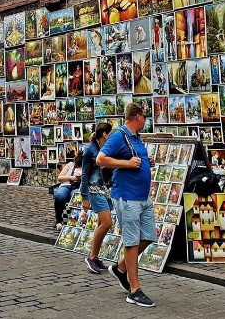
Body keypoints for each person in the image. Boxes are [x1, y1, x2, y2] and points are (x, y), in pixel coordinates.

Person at [97, 103, 157, 308]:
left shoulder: (136, 138)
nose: (146, 120)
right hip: (127, 197)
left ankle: (120, 268)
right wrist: (127, 164)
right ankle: (134, 290)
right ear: (138, 117)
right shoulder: (118, 135)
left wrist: (148, 162)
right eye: (145, 117)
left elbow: (136, 160)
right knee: (131, 241)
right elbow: (101, 159)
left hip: (143, 197)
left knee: (148, 237)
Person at [80, 122, 114, 274]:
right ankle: (91, 257)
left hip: (104, 189)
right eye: (110, 133)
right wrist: (84, 196)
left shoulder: (104, 149)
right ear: (105, 134)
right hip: (94, 190)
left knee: (101, 224)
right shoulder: (90, 150)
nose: (111, 136)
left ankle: (95, 256)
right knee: (107, 223)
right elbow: (85, 174)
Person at [54, 152, 82, 230]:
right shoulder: (70, 165)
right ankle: (58, 220)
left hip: (78, 187)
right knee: (59, 196)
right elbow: (60, 177)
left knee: (76, 197)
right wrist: (72, 178)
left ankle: (74, 221)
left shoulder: (86, 167)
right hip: (66, 185)